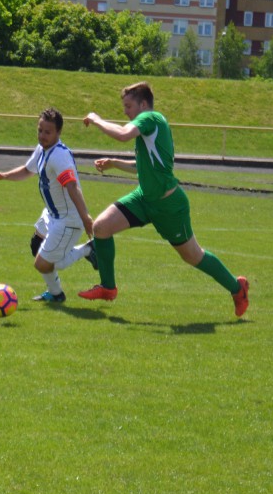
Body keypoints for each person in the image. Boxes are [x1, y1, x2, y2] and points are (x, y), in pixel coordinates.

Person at [80, 81, 249, 317]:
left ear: (143, 104)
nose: (125, 112)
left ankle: (237, 288)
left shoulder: (150, 118)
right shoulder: (149, 128)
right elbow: (144, 166)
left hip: (168, 205)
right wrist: (115, 163)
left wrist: (96, 118)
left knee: (193, 256)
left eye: (128, 106)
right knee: (101, 227)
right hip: (144, 198)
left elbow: (122, 134)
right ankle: (108, 287)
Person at [0, 108, 97, 303]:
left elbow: (72, 187)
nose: (42, 136)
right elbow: (27, 170)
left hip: (68, 219)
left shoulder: (59, 156)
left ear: (58, 132)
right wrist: (4, 176)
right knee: (37, 246)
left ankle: (88, 250)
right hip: (52, 214)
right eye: (40, 130)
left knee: (46, 264)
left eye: (48, 132)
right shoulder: (42, 149)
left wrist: (86, 218)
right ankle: (55, 293)